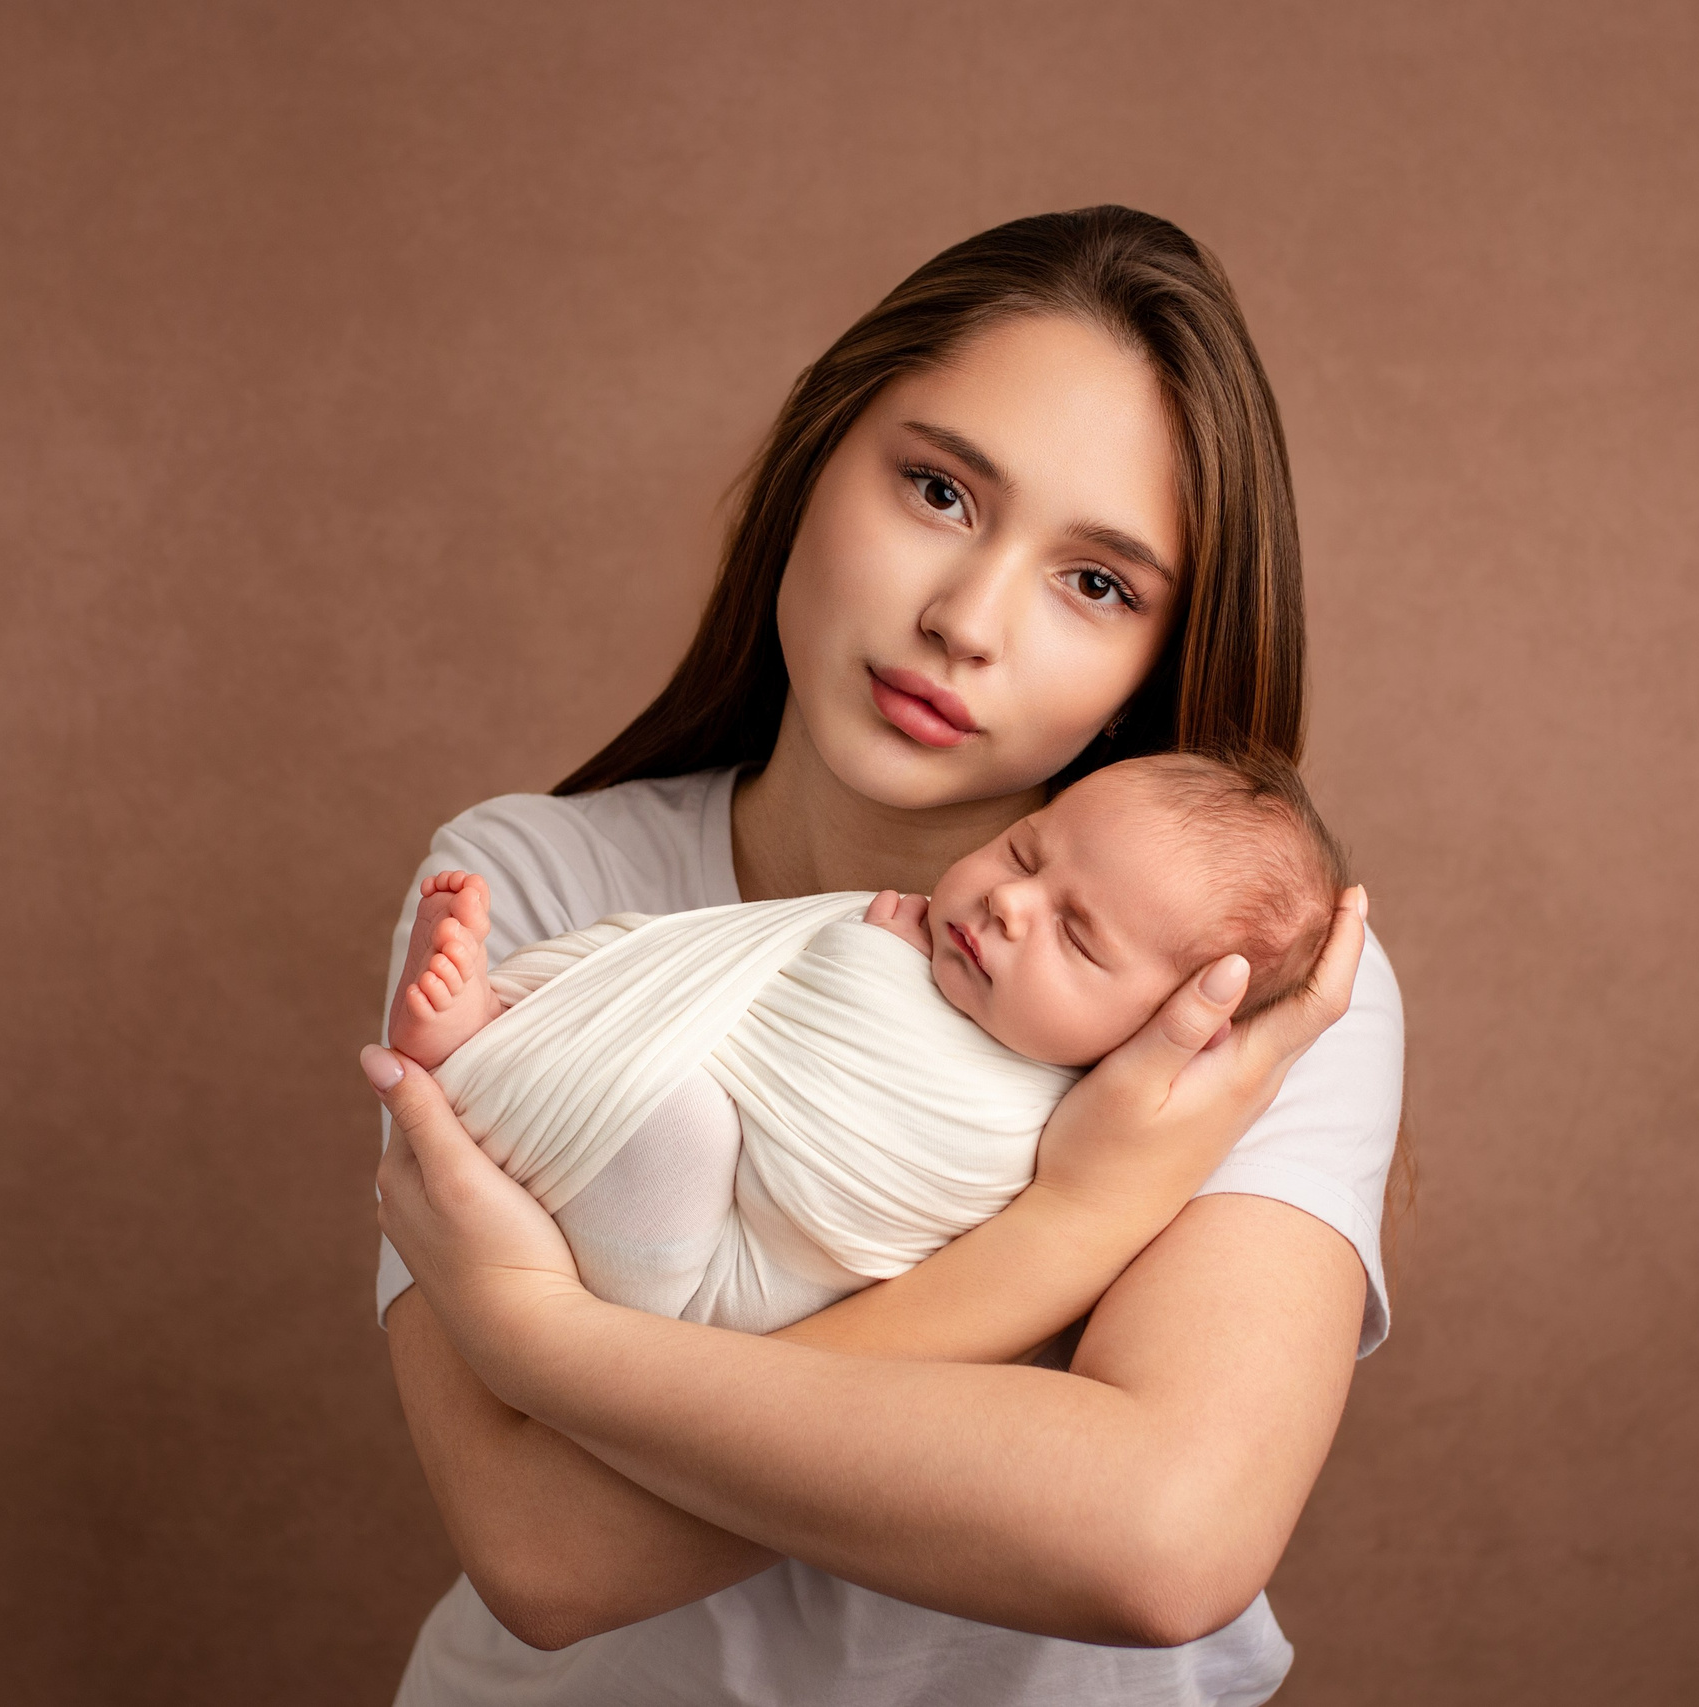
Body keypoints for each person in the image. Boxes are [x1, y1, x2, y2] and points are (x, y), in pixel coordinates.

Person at [362, 204, 1404, 1706]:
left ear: (1150, 665)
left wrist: (536, 1336)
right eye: (938, 488)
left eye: (1097, 582)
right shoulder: (535, 875)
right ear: (815, 458)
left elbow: (1163, 1538)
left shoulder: (1241, 995)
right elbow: (543, 1553)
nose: (962, 619)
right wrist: (1077, 1225)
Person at [383, 751, 1347, 1336]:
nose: (1010, 904)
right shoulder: (532, 848)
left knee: (672, 1114)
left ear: (1171, 1021)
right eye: (1024, 850)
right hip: (668, 1212)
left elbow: (905, 1153)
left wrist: (864, 970)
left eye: (1078, 935)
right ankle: (495, 1029)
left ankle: (483, 1067)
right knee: (647, 974)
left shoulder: (1067, 1118)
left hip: (722, 1284)